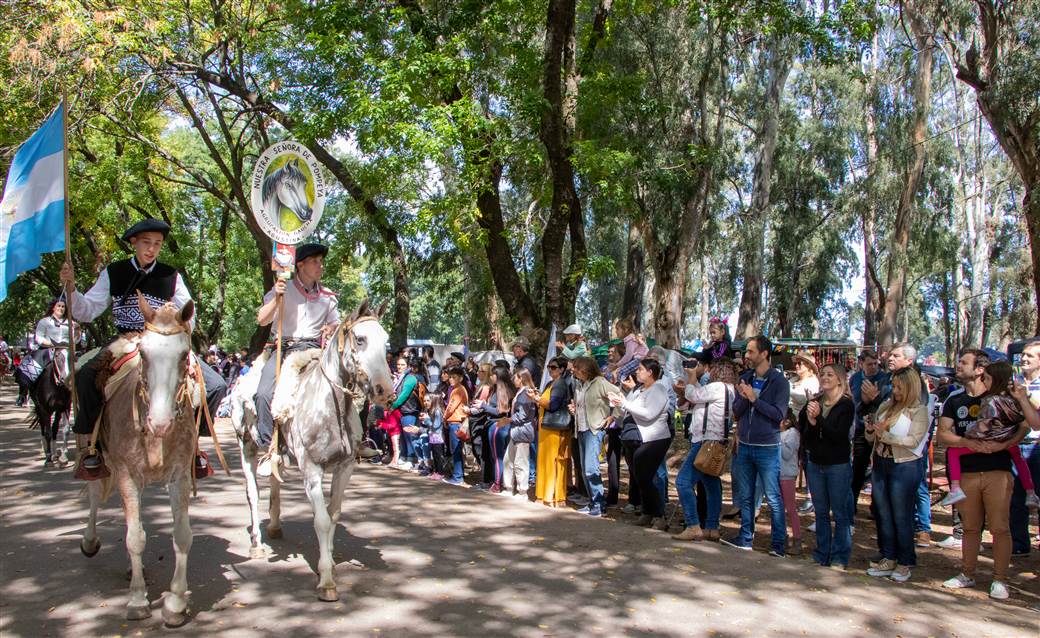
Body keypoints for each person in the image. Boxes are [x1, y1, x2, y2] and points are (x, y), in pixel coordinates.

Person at [61, 219, 226, 474]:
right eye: (146, 243)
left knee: (216, 385)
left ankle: (193, 447)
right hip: (125, 340)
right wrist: (71, 289)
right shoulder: (113, 272)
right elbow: (87, 310)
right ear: (134, 243)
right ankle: (92, 448)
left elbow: (189, 313)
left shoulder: (171, 276)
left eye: (157, 244)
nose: (151, 249)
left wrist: (176, 322)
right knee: (85, 377)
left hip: (164, 339)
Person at [253, 243, 339, 477]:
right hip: (285, 346)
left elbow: (335, 323)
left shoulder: (328, 296)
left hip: (313, 349)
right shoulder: (283, 287)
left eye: (321, 261)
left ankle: (348, 440)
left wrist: (331, 327)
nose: (320, 265)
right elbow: (262, 320)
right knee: (263, 393)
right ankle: (268, 447)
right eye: (315, 261)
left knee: (346, 385)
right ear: (299, 264)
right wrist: (276, 299)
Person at [722, 335, 790, 557]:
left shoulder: (779, 382)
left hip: (767, 447)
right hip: (745, 445)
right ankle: (745, 537)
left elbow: (778, 415)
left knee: (772, 496)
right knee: (746, 495)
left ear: (764, 354)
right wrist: (743, 397)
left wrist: (754, 399)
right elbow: (736, 411)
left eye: (751, 352)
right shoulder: (746, 377)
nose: (746, 356)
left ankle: (778, 544)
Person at [940, 361, 1040, 509]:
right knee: (1019, 459)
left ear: (995, 379)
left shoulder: (990, 401)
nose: (983, 381)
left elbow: (984, 424)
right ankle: (1030, 492)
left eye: (986, 378)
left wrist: (971, 435)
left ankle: (955, 487)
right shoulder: (1014, 399)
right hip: (1009, 440)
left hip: (989, 440)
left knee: (953, 452)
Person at [864, 367, 929, 582]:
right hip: (881, 462)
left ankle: (904, 560)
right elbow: (871, 438)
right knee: (883, 511)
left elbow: (914, 440)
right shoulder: (886, 405)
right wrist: (871, 430)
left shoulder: (918, 410)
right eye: (894, 385)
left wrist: (887, 436)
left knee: (901, 514)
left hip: (904, 466)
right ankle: (889, 556)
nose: (895, 390)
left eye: (900, 386)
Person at [672, 357, 739, 541]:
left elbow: (694, 396)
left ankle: (693, 524)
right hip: (716, 442)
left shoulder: (717, 387)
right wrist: (690, 382)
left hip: (705, 442)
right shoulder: (730, 390)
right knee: (711, 486)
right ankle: (712, 527)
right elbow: (695, 397)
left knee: (683, 482)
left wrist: (689, 380)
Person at [801, 364, 856, 569]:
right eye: (822, 374)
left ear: (840, 379)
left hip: (838, 465)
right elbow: (808, 436)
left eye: (830, 374)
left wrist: (819, 419)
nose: (825, 377)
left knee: (840, 513)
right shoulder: (816, 402)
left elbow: (839, 435)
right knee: (821, 512)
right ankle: (821, 553)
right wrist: (812, 423)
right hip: (816, 463)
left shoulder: (845, 405)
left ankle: (840, 556)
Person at [608, 358, 673, 530]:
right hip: (634, 437)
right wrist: (619, 402)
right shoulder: (638, 389)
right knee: (640, 477)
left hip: (654, 438)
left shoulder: (658, 389)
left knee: (646, 476)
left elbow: (649, 414)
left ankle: (659, 515)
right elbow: (626, 408)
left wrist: (625, 404)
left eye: (640, 369)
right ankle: (648, 512)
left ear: (650, 372)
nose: (637, 372)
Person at [570, 356, 619, 516]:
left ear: (585, 368)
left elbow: (618, 396)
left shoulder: (600, 382)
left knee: (591, 467)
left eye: (576, 367)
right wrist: (575, 410)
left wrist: (613, 416)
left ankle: (599, 503)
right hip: (582, 429)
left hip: (594, 429)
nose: (573, 370)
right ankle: (593, 502)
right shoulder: (580, 385)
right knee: (585, 469)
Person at [1010, 340, 1040, 557]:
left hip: (1037, 446)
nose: (1024, 358)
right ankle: (1019, 543)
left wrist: (1024, 397)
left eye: (1030, 356)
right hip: (1016, 445)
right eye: (1023, 355)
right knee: (1015, 497)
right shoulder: (1015, 381)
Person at [849, 349, 887, 516]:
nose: (873, 367)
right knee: (858, 467)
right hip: (860, 427)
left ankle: (876, 507)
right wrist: (863, 401)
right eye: (869, 364)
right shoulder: (855, 379)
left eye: (875, 363)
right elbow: (853, 401)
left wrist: (874, 398)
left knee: (878, 468)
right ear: (861, 364)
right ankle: (851, 503)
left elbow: (886, 404)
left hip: (880, 428)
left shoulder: (884, 379)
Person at [534, 356, 573, 507]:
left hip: (555, 429)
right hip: (546, 428)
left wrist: (537, 399)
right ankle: (543, 494)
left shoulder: (560, 384)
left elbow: (553, 405)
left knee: (554, 461)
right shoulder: (551, 383)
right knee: (545, 461)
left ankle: (555, 496)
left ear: (562, 369)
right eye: (549, 367)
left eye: (554, 367)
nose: (551, 370)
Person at [477, 367, 516, 493]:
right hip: (500, 425)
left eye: (493, 374)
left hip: (498, 426)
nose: (491, 377)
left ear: (498, 376)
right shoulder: (501, 389)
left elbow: (501, 410)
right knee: (502, 456)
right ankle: (503, 483)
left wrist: (484, 406)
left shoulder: (502, 390)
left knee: (497, 456)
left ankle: (498, 484)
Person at [502, 369, 537, 498]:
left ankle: (522, 491)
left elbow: (523, 415)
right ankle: (509, 487)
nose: (513, 380)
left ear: (521, 378)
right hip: (515, 431)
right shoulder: (520, 393)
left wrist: (508, 420)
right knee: (508, 460)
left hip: (522, 431)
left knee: (520, 462)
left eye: (515, 378)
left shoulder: (526, 394)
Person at [778, 410, 802, 554]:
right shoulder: (782, 434)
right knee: (779, 508)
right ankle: (782, 536)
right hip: (778, 473)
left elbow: (787, 454)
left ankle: (797, 538)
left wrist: (778, 439)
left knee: (790, 508)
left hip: (787, 474)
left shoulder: (792, 433)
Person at [442, 366, 470, 485]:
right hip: (455, 421)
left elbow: (451, 407)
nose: (451, 379)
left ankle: (458, 477)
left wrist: (444, 417)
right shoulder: (456, 389)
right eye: (450, 377)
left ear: (461, 378)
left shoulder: (458, 390)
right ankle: (458, 474)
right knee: (456, 449)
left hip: (456, 422)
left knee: (456, 450)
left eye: (454, 377)